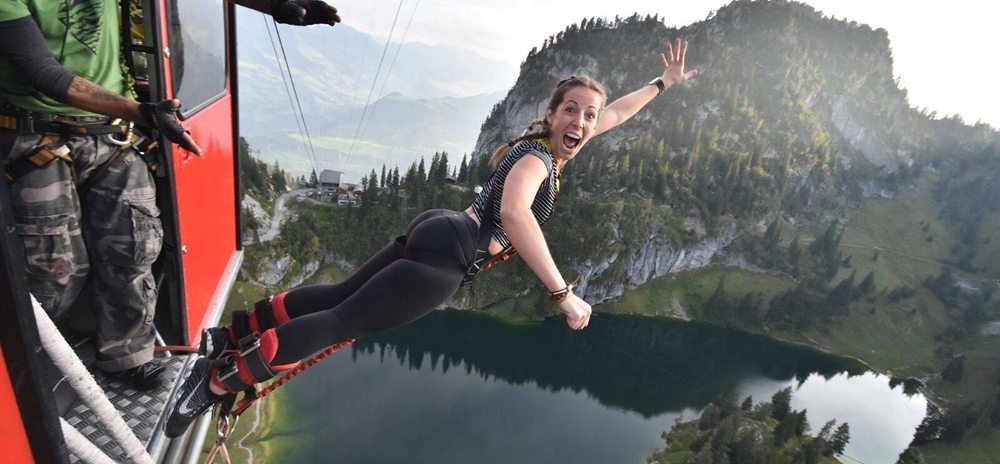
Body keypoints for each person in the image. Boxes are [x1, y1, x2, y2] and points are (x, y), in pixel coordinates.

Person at [165, 39, 698, 437]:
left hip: (442, 226)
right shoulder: (538, 158)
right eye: (572, 110)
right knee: (340, 321)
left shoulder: (545, 144)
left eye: (589, 115)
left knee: (334, 297)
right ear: (553, 114)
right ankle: (216, 382)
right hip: (450, 257)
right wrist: (563, 294)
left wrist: (661, 85)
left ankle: (227, 338)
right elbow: (515, 214)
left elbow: (617, 112)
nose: (583, 121)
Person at [0, 0, 341, 390]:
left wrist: (275, 6)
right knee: (51, 269)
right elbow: (42, 72)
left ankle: (126, 357)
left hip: (112, 132)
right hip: (35, 133)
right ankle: (28, 369)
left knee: (132, 247)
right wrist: (143, 113)